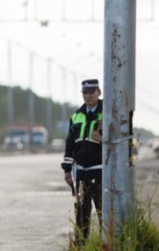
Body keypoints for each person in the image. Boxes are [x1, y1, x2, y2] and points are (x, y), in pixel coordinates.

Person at [61, 79, 103, 243]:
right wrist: (66, 170)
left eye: (91, 92)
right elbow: (70, 144)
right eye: (85, 92)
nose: (88, 95)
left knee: (103, 211)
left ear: (98, 92)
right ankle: (82, 245)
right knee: (81, 212)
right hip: (80, 171)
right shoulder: (76, 115)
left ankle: (105, 243)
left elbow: (118, 139)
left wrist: (104, 138)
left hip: (100, 170)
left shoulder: (107, 112)